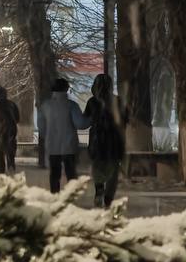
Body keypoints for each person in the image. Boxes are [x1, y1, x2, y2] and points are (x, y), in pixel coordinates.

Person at [38, 77, 90, 194]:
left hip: (52, 146)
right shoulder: (71, 105)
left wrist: (48, 136)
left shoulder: (46, 106)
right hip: (69, 146)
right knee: (71, 173)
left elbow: (41, 127)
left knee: (54, 174)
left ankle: (55, 196)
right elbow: (81, 123)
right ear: (66, 89)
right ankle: (71, 196)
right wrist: (91, 119)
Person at [84, 72, 126, 208]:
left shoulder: (92, 102)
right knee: (113, 170)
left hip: (97, 140)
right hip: (114, 140)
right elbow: (125, 120)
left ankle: (99, 191)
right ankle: (108, 198)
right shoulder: (118, 101)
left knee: (98, 167)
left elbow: (85, 120)